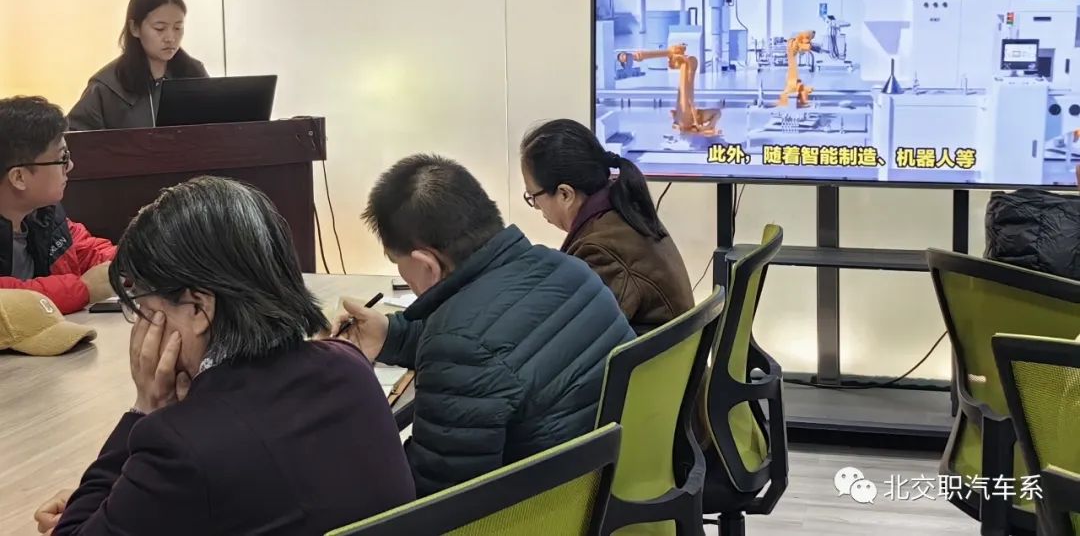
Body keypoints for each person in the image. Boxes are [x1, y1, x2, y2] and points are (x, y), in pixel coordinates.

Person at [34, 176, 415, 536]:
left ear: (198, 308)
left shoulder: (180, 444)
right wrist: (121, 498)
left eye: (145, 307)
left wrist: (144, 408)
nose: (142, 326)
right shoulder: (349, 366)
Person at [332, 154, 635, 498]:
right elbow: (499, 339)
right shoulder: (567, 269)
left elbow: (436, 499)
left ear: (427, 264)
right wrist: (391, 335)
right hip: (606, 484)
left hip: (540, 511)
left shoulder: (458, 346)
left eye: (396, 262)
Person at [520, 119, 694, 332]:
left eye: (533, 196)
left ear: (565, 194)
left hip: (651, 354)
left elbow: (577, 336)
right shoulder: (625, 208)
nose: (537, 206)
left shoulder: (601, 251)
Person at [0, 96, 115, 314]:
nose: (70, 165)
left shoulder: (44, 215)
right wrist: (84, 289)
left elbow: (88, 251)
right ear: (19, 177)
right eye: (62, 158)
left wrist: (133, 260)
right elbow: (7, 297)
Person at [68, 0, 208, 130]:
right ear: (134, 28)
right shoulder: (106, 87)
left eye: (178, 28)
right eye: (160, 28)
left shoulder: (195, 73)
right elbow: (75, 135)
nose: (170, 38)